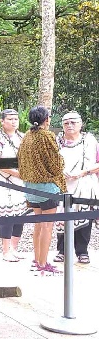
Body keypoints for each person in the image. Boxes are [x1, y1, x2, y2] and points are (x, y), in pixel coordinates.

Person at [17, 105, 65, 276]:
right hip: (47, 186)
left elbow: (20, 160)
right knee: (47, 226)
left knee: (38, 223)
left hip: (30, 187)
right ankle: (43, 264)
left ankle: (37, 260)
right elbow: (56, 163)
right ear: (46, 119)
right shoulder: (47, 135)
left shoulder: (26, 137)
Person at [55, 111, 99, 265]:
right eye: (66, 123)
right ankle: (62, 250)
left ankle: (82, 252)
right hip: (63, 183)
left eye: (73, 122)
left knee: (84, 217)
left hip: (84, 182)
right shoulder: (57, 140)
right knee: (61, 217)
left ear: (81, 124)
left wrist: (82, 173)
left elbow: (97, 163)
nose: (70, 125)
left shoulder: (89, 140)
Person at [0, 108, 27, 262]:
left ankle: (14, 248)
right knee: (7, 214)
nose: (14, 122)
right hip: (5, 180)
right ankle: (5, 250)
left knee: (20, 214)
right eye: (10, 119)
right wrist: (16, 173)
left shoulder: (23, 137)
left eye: (16, 119)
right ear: (2, 121)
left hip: (22, 181)